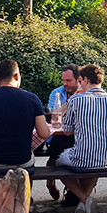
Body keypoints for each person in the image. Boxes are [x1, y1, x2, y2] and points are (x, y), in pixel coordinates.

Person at [57, 64, 107, 213]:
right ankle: (84, 201)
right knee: (94, 162)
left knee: (57, 165)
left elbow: (67, 131)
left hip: (83, 156)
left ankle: (84, 198)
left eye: (80, 80)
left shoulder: (76, 99)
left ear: (85, 79)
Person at [0, 61, 52, 192]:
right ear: (17, 76)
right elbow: (44, 134)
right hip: (22, 161)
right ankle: (25, 197)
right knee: (31, 160)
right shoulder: (32, 99)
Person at [43, 64, 80, 200]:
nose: (64, 84)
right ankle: (50, 183)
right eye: (63, 80)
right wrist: (72, 98)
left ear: (79, 80)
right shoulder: (57, 93)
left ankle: (73, 192)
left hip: (78, 135)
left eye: (68, 80)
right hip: (59, 135)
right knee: (58, 147)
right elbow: (56, 115)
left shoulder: (88, 92)